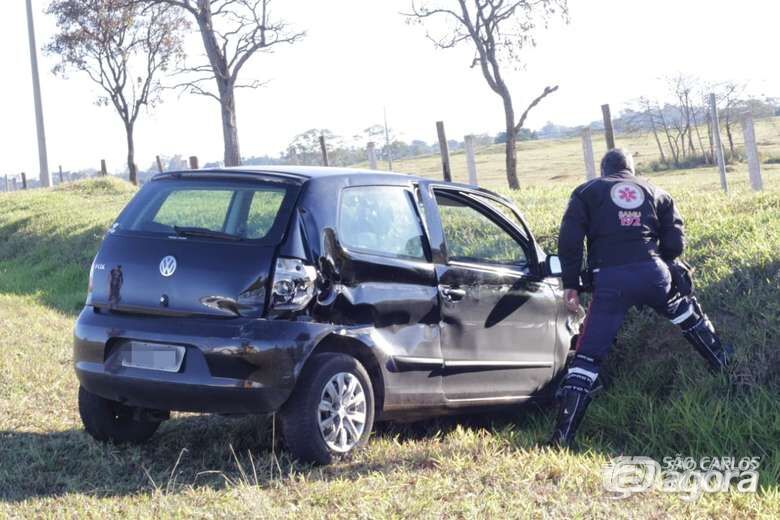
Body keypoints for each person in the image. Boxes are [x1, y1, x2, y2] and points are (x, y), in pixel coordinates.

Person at [549, 148, 734, 447]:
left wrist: (572, 283)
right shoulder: (656, 191)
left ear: (603, 169)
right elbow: (674, 241)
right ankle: (725, 367)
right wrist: (660, 260)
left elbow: (570, 240)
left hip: (610, 280)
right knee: (685, 313)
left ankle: (562, 437)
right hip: (653, 274)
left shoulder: (586, 191)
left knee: (588, 355)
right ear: (631, 170)